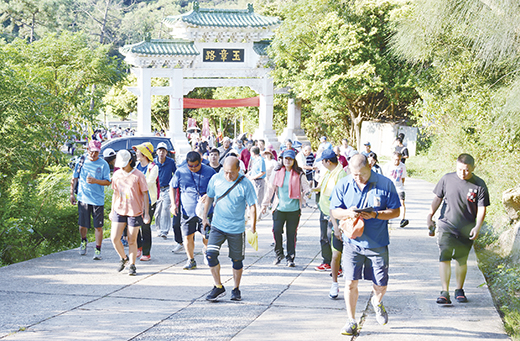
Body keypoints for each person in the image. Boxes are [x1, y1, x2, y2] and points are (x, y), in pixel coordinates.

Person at [330, 154, 401, 336]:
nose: (358, 178)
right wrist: (348, 212)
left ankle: (377, 302)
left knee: (380, 283)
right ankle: (351, 320)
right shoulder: (344, 184)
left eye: (361, 174)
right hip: (352, 243)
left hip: (377, 243)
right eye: (354, 174)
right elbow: (334, 211)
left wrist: (376, 215)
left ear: (370, 166)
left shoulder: (385, 184)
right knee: (350, 283)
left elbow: (395, 212)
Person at [426, 153, 489, 304]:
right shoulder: (447, 179)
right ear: (456, 166)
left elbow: (482, 209)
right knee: (444, 257)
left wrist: (478, 226)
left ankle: (459, 290)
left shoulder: (479, 184)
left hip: (466, 228)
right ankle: (444, 291)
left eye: (466, 170)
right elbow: (437, 199)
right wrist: (430, 215)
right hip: (446, 225)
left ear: (473, 168)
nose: (463, 173)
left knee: (462, 260)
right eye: (460, 169)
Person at [202, 157, 257, 301]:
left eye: (232, 173)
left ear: (239, 170)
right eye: (226, 172)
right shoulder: (216, 179)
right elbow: (209, 197)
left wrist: (253, 227)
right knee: (210, 255)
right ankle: (218, 286)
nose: (228, 176)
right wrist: (204, 217)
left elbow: (252, 206)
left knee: (237, 260)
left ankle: (236, 288)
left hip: (236, 228)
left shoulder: (245, 184)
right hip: (217, 225)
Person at [261, 150, 310, 267]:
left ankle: (290, 257)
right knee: (276, 230)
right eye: (286, 158)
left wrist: (307, 193)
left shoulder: (299, 173)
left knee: (291, 234)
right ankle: (279, 254)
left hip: (293, 210)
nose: (288, 161)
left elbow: (306, 187)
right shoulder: (277, 172)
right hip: (279, 208)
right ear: (282, 159)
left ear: (294, 161)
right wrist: (265, 204)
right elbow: (270, 189)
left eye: (290, 159)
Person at [170, 151, 216, 270]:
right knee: (187, 236)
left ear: (201, 162)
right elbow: (173, 186)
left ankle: (206, 251)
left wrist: (209, 195)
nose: (193, 168)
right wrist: (173, 204)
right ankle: (191, 259)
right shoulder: (181, 171)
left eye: (196, 165)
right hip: (187, 210)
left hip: (205, 210)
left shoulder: (210, 171)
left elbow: (217, 188)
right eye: (190, 166)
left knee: (206, 236)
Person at [109, 149, 150, 276]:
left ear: (130, 161)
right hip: (119, 209)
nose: (121, 166)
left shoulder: (138, 175)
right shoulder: (116, 175)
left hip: (134, 211)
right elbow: (115, 193)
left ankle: (132, 265)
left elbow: (144, 194)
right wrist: (111, 210)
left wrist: (146, 213)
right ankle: (124, 258)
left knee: (132, 239)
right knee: (114, 238)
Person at [70, 140, 111, 260]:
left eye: (96, 152)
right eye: (92, 151)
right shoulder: (81, 161)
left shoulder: (103, 164)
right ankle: (83, 241)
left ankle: (98, 249)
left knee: (98, 226)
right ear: (88, 150)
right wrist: (72, 193)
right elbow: (74, 178)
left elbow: (108, 182)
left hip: (97, 200)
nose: (94, 154)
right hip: (83, 198)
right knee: (83, 225)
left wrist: (96, 181)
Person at [313, 149, 348, 279]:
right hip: (324, 209)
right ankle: (326, 262)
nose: (321, 164)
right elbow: (322, 187)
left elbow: (340, 197)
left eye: (322, 161)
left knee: (333, 239)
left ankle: (337, 267)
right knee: (324, 238)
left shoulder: (340, 174)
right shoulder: (328, 172)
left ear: (328, 161)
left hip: (333, 213)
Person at [133, 142, 158, 261]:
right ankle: (139, 247)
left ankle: (146, 252)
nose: (136, 153)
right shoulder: (137, 165)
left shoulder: (153, 167)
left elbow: (148, 183)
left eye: (139, 151)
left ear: (144, 154)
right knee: (135, 224)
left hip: (148, 200)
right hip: (137, 200)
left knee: (145, 226)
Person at [154, 142, 177, 240]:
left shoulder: (170, 162)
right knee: (157, 210)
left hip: (168, 189)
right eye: (160, 151)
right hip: (157, 189)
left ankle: (164, 231)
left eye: (163, 151)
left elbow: (175, 174)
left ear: (166, 152)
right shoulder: (154, 162)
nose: (161, 153)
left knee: (165, 210)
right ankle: (159, 230)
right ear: (157, 152)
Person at [383, 151, 408, 228]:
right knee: (387, 204)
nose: (397, 161)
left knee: (402, 203)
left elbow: (403, 177)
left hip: (399, 187)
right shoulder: (387, 166)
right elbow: (384, 177)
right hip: (389, 187)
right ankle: (386, 218)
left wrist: (401, 185)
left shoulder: (402, 166)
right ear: (392, 158)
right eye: (396, 159)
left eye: (399, 159)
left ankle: (402, 219)